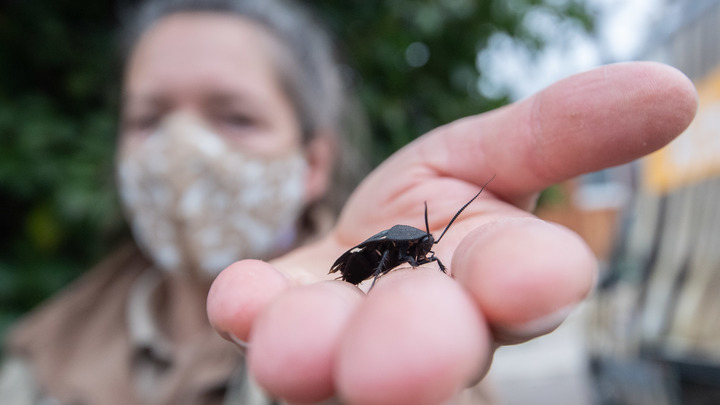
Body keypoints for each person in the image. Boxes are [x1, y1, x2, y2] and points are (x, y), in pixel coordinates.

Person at [206, 61, 698, 405]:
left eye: (240, 117)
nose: (428, 251)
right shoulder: (397, 247)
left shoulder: (419, 250)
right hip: (357, 263)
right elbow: (378, 257)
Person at [1, 0, 359, 404]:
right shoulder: (43, 362)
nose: (181, 150)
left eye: (236, 117)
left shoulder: (370, 349)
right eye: (148, 119)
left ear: (312, 164)